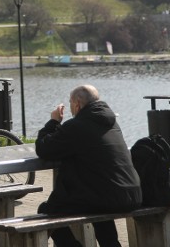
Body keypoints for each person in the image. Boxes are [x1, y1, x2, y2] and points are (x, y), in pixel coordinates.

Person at [35, 84, 141, 247]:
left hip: (108, 197)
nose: (70, 107)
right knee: (99, 205)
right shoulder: (111, 123)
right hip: (131, 194)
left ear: (77, 104)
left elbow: (44, 149)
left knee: (47, 210)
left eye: (71, 103)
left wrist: (53, 122)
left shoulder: (77, 126)